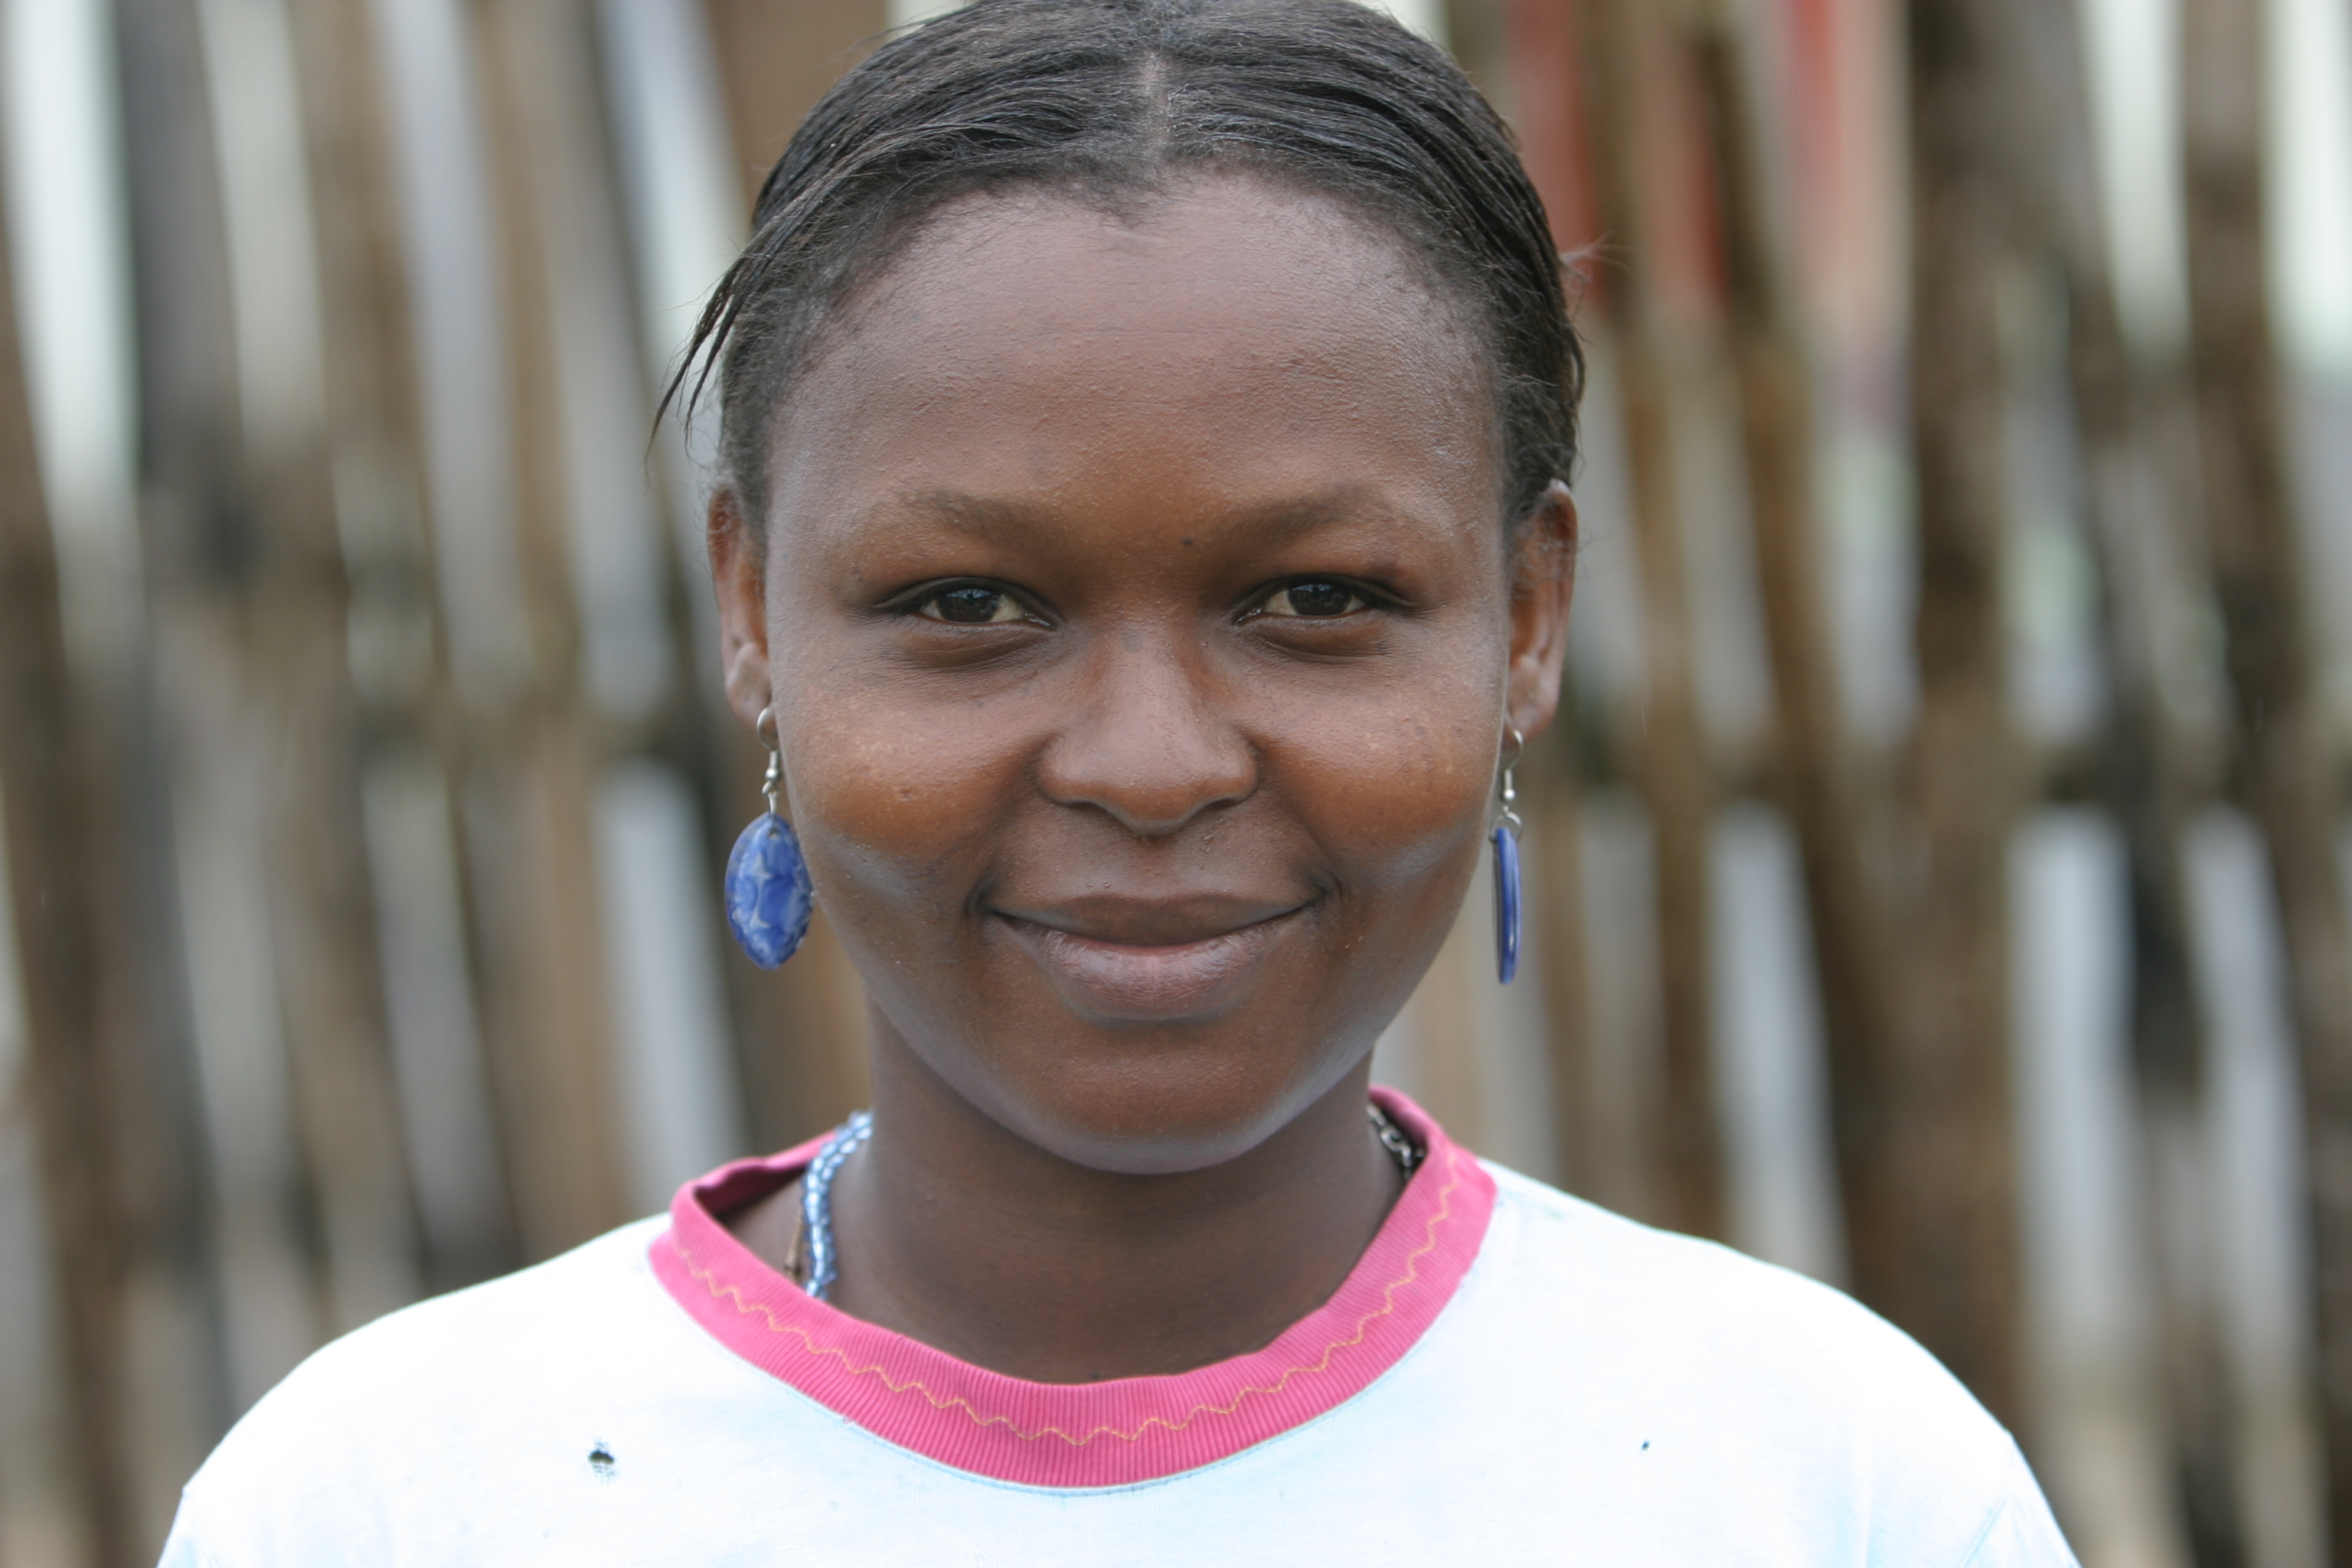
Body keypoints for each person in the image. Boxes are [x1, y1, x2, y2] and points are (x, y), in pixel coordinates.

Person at [161, 1, 2077, 1561]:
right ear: (753, 608)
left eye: (1317, 598)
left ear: (1524, 617)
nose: (1151, 765)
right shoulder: (386, 1501)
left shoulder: (1826, 1486)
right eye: (969, 603)